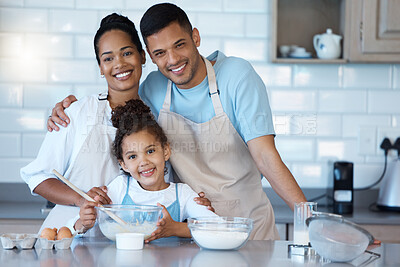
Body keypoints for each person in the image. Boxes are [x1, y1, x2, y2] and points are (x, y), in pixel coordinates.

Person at [47, 3, 307, 240]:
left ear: (195, 37)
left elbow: (265, 157)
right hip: (191, 233)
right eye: (160, 52)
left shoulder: (237, 77)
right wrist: (73, 106)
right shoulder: (154, 88)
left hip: (249, 230)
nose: (172, 60)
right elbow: (119, 110)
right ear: (149, 55)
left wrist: (309, 220)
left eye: (180, 45)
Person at [20, 13, 212, 235]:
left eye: (127, 53)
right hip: (71, 237)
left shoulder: (159, 116)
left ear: (142, 56)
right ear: (100, 68)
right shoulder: (77, 112)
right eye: (108, 58)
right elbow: (38, 176)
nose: (119, 64)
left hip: (138, 243)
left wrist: (195, 204)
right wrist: (81, 200)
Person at [73, 99, 218, 241]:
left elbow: (215, 227)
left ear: (166, 151)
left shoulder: (182, 194)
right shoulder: (120, 188)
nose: (143, 162)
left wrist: (175, 228)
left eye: (150, 151)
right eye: (133, 156)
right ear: (123, 164)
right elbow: (75, 227)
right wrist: (84, 223)